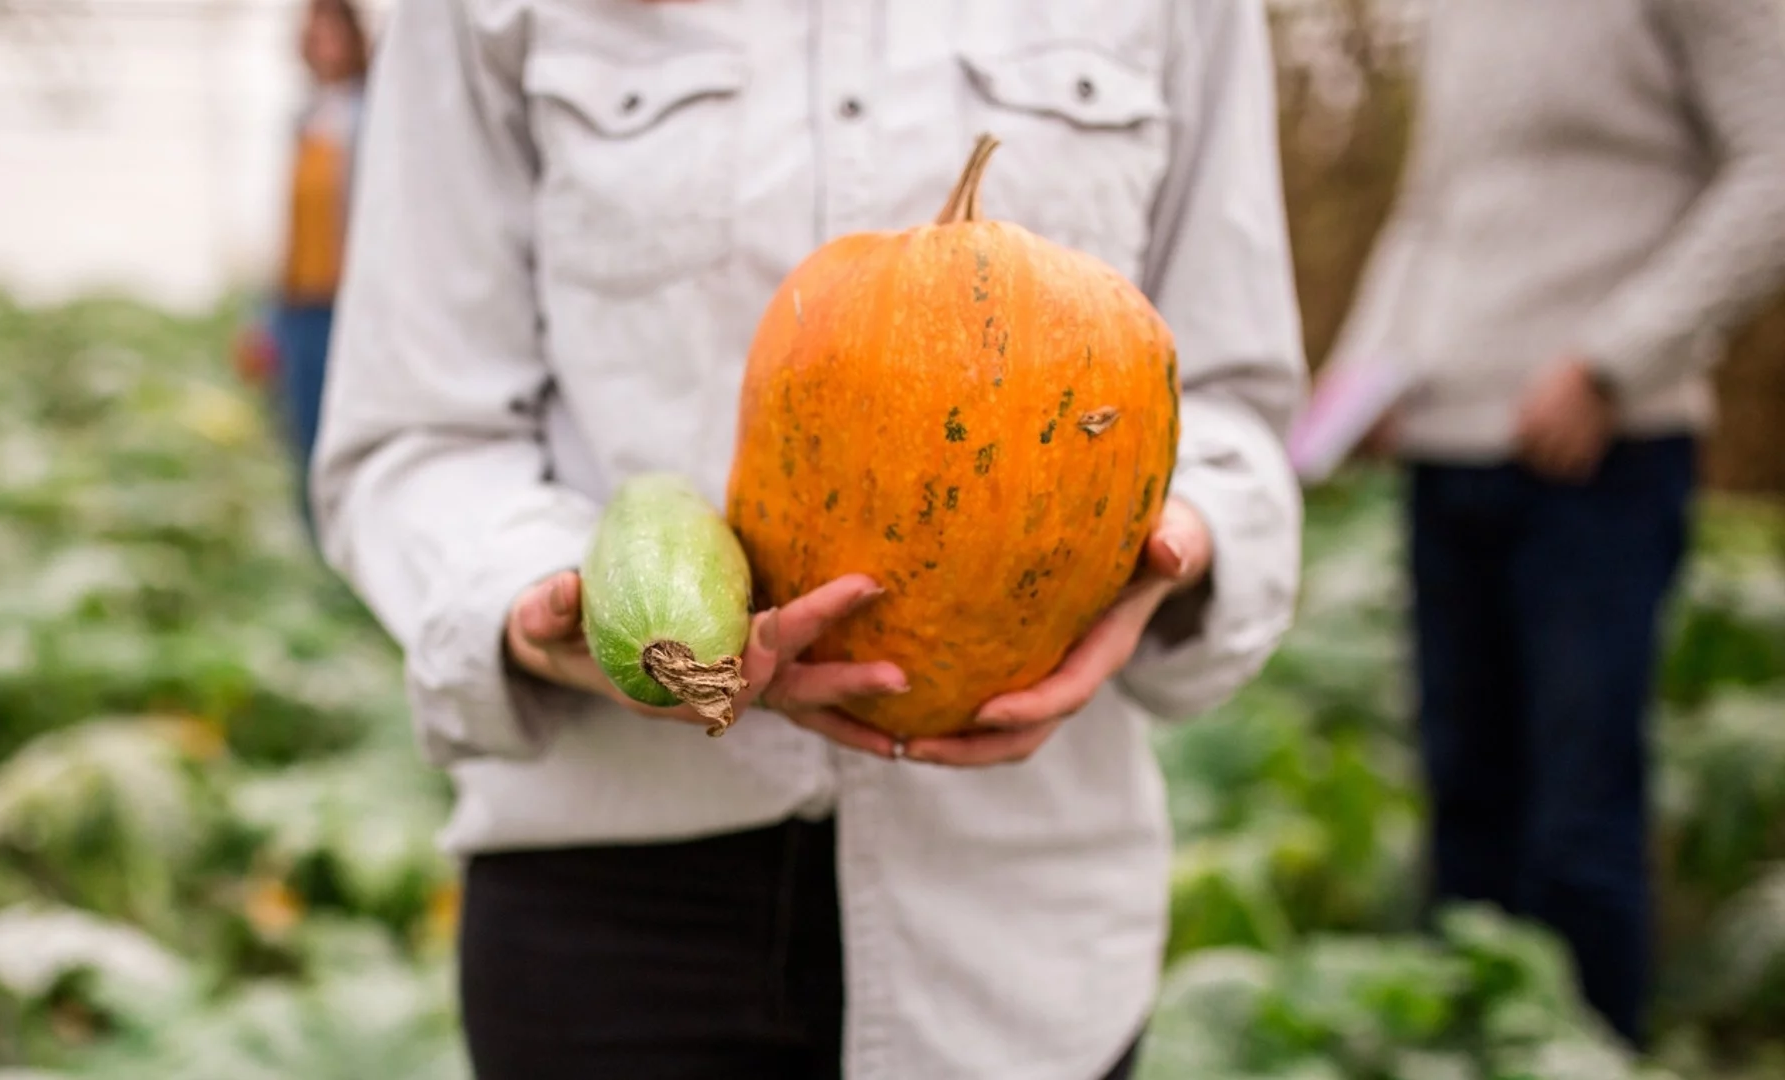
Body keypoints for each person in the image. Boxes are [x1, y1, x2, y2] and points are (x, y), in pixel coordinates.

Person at [311, 0, 1306, 1076]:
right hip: (615, 901)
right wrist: (541, 600)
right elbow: (416, 434)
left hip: (1022, 920)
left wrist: (1173, 549)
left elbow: (1231, 410)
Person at [1328, 0, 1785, 1051]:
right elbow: (1430, 208)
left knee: (1578, 825)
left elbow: (1773, 167)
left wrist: (1613, 362)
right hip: (1446, 453)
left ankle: (1583, 1056)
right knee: (1462, 808)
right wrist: (1368, 367)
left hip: (1600, 461)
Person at [264, 0, 369, 527]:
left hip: (351, 305)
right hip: (300, 306)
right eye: (316, 35)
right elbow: (288, 226)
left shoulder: (371, 116)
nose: (325, 45)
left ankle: (355, 548)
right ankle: (319, 547)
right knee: (301, 433)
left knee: (350, 435)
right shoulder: (303, 118)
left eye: (334, 34)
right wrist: (264, 317)